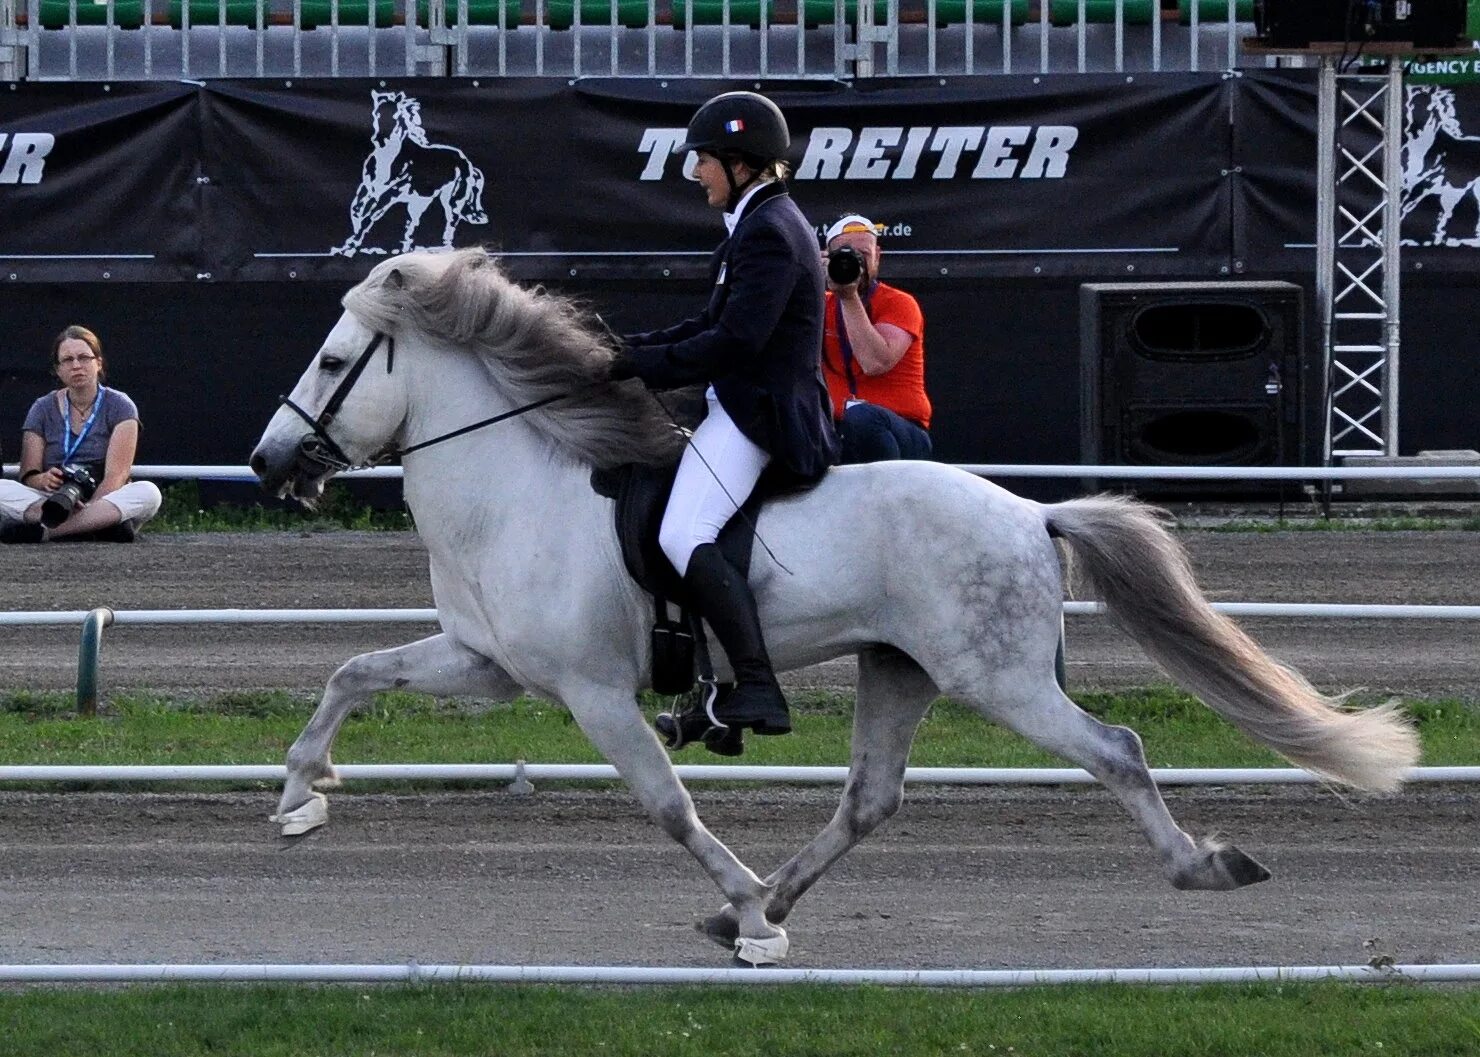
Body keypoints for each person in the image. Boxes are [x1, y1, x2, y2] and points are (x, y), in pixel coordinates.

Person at [612, 90, 839, 738]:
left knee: (683, 534)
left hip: (757, 417)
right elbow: (708, 323)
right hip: (740, 404)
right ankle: (714, 690)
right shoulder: (757, 224)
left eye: (704, 160)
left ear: (740, 161)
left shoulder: (769, 232)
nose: (696, 173)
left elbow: (736, 341)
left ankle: (757, 686)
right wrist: (628, 353)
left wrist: (647, 367)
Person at [0, 325, 162, 544]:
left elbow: (117, 476)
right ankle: (97, 527)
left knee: (149, 493)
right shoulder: (42, 408)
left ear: (98, 363)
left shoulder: (120, 406)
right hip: (51, 501)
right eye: (67, 360)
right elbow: (28, 475)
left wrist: (89, 506)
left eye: (84, 357)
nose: (76, 365)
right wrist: (44, 480)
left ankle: (47, 532)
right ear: (57, 370)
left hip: (104, 496)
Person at [820, 214, 933, 463]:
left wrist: (848, 297)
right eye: (844, 255)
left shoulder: (899, 303)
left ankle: (885, 496)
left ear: (877, 256)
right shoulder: (818, 305)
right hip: (837, 428)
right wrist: (806, 279)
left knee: (862, 417)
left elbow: (875, 363)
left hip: (898, 428)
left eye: (863, 254)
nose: (854, 263)